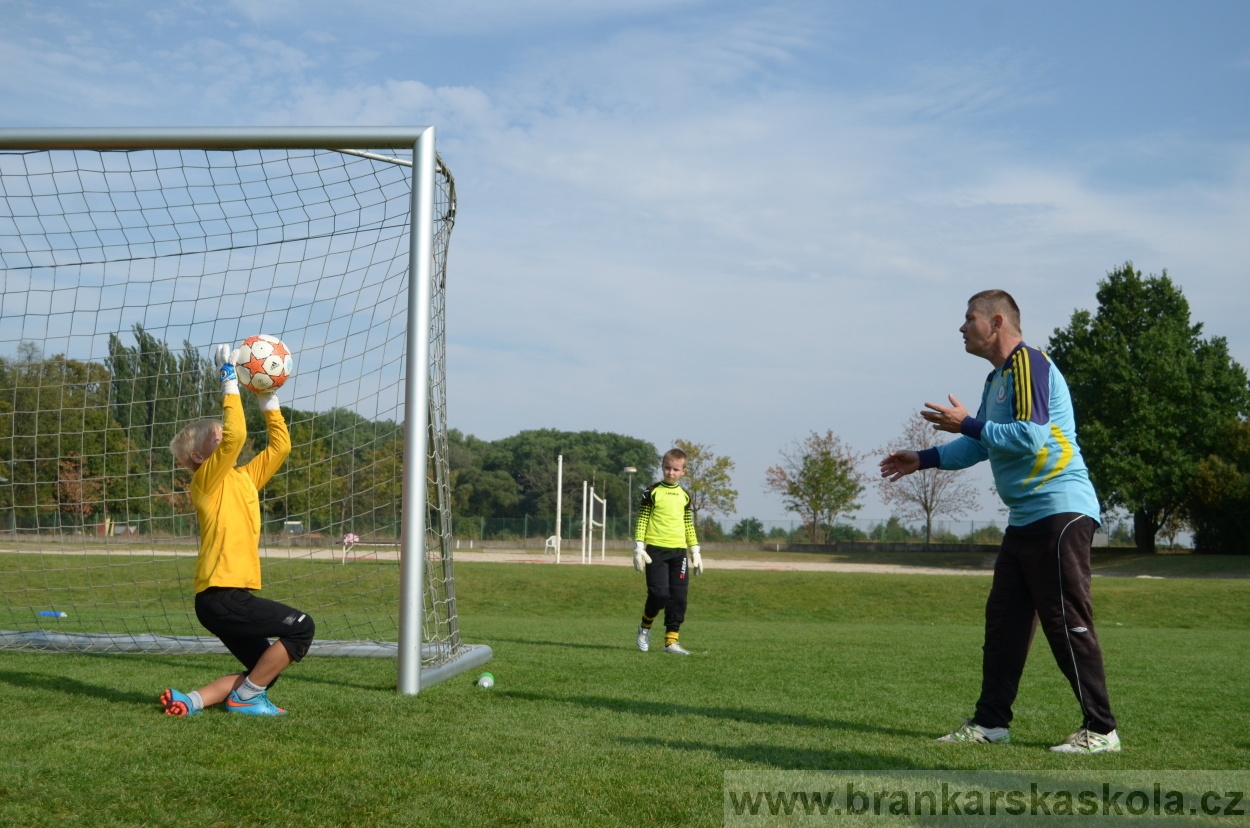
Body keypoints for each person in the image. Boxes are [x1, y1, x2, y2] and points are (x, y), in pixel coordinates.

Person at [879, 290, 1120, 754]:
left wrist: (968, 423)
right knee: (1006, 621)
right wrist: (924, 458)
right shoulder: (998, 380)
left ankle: (1101, 729)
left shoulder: (1029, 364)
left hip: (1060, 511)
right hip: (1027, 517)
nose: (962, 328)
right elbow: (982, 444)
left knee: (1066, 619)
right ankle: (991, 723)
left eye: (969, 319)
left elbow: (1029, 438)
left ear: (996, 321)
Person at [160, 344, 313, 717]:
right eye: (216, 438)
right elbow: (238, 435)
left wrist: (268, 398)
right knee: (301, 629)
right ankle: (245, 699)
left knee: (265, 667)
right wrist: (229, 379)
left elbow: (281, 445)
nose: (225, 438)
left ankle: (190, 700)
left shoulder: (244, 478)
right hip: (220, 595)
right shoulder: (206, 482)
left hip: (226, 599)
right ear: (199, 457)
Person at [632, 448, 702, 655]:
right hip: (655, 551)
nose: (670, 472)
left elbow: (688, 524)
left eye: (675, 469)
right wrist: (638, 547)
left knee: (678, 598)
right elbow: (643, 519)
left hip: (678, 552)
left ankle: (671, 642)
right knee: (659, 594)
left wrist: (695, 551)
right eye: (667, 468)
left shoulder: (685, 496)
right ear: (662, 468)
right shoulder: (652, 491)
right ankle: (644, 627)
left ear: (683, 471)